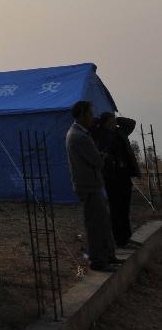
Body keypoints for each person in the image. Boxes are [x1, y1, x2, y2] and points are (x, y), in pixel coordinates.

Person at [65, 101, 120, 271]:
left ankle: (107, 256)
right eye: (90, 114)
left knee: (102, 222)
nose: (92, 117)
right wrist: (102, 156)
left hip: (92, 184)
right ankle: (98, 261)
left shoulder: (80, 133)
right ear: (81, 115)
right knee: (95, 224)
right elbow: (96, 160)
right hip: (89, 185)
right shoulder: (79, 136)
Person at [92, 112, 141, 247]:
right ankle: (119, 240)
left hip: (125, 176)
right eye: (110, 123)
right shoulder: (100, 134)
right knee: (116, 210)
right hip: (112, 178)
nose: (113, 125)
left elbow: (132, 123)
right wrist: (100, 121)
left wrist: (117, 119)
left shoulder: (120, 132)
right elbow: (90, 126)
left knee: (124, 209)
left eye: (114, 123)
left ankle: (126, 237)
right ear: (104, 124)